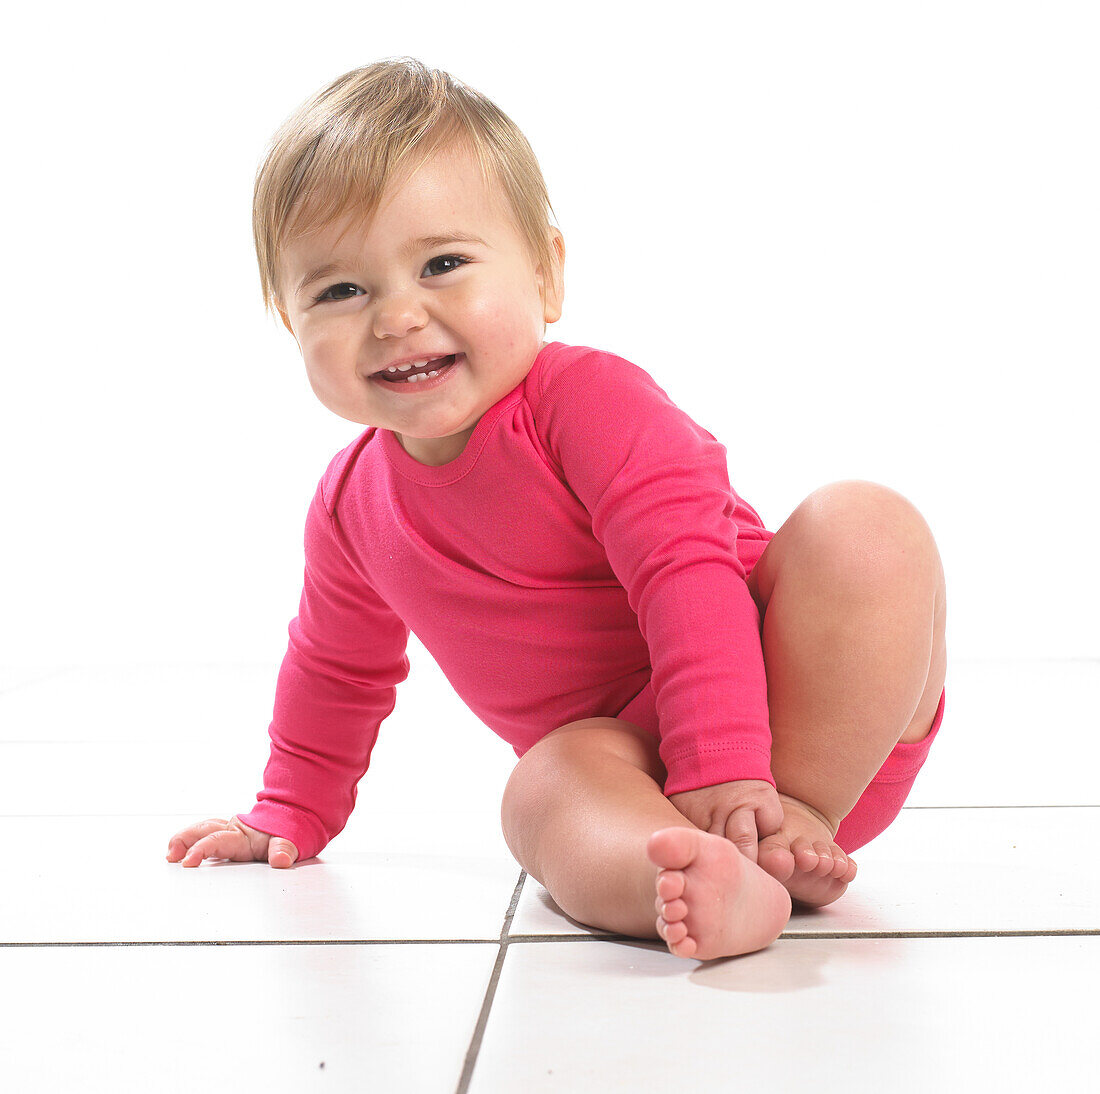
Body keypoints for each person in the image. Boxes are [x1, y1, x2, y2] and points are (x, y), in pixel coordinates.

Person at [166, 57, 947, 961]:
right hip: (631, 782)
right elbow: (337, 671)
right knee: (541, 789)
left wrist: (728, 767)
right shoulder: (351, 509)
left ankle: (787, 823)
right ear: (286, 317)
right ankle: (701, 884)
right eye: (341, 290)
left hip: (802, 716)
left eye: (444, 264)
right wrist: (289, 809)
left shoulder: (588, 403)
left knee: (868, 527)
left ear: (546, 276)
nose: (397, 316)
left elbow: (685, 574)